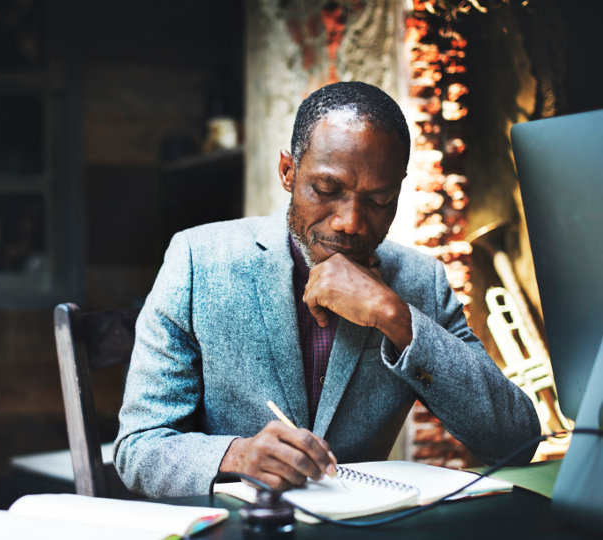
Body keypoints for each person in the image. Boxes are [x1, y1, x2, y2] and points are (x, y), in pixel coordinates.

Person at [114, 81, 540, 498]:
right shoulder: (197, 260)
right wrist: (237, 455)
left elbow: (515, 442)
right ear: (288, 171)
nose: (350, 222)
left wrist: (396, 317)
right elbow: (139, 449)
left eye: (378, 200)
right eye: (327, 190)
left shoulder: (419, 282)